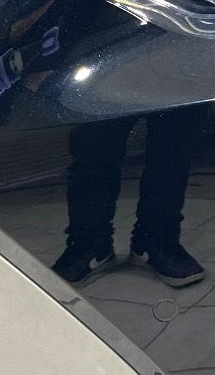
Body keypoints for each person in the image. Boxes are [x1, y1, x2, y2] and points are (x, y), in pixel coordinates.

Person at [52, 108, 206, 288]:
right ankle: (91, 244)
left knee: (172, 150)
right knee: (93, 145)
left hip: (173, 89)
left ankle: (155, 241)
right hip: (105, 90)